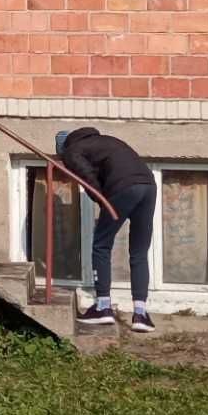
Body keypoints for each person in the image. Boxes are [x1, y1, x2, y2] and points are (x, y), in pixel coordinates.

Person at [55, 126, 158, 334]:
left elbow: (88, 180)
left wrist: (103, 201)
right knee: (139, 252)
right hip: (148, 186)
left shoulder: (72, 151)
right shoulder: (107, 141)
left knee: (101, 245)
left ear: (63, 147)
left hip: (123, 188)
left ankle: (102, 307)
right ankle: (141, 314)